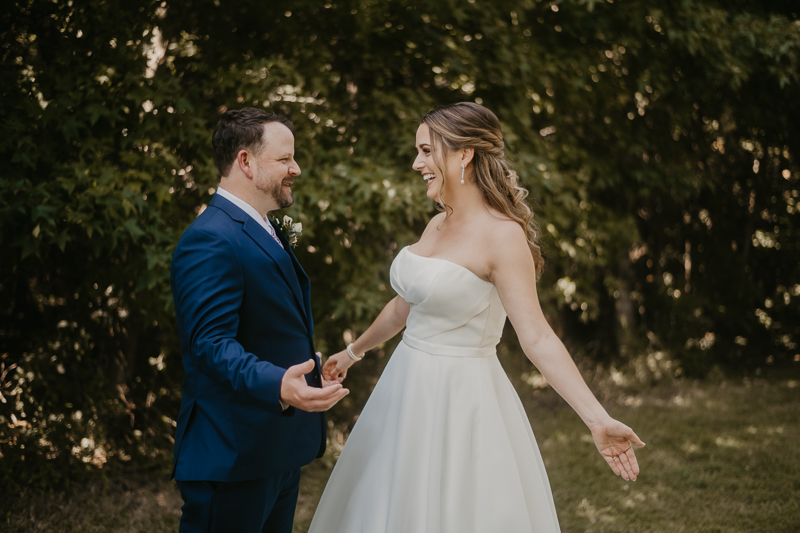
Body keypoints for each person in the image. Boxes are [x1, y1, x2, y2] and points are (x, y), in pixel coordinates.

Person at [311, 102, 645, 533]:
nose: (418, 163)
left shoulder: (503, 236)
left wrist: (598, 419)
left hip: (461, 400)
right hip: (404, 391)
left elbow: (537, 337)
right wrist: (353, 353)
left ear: (463, 154)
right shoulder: (436, 226)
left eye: (427, 151)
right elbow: (405, 305)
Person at [170, 108, 349, 533]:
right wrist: (278, 384)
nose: (296, 168)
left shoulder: (263, 227)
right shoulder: (211, 238)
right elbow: (210, 344)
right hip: (233, 453)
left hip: (274, 449)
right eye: (285, 159)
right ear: (246, 162)